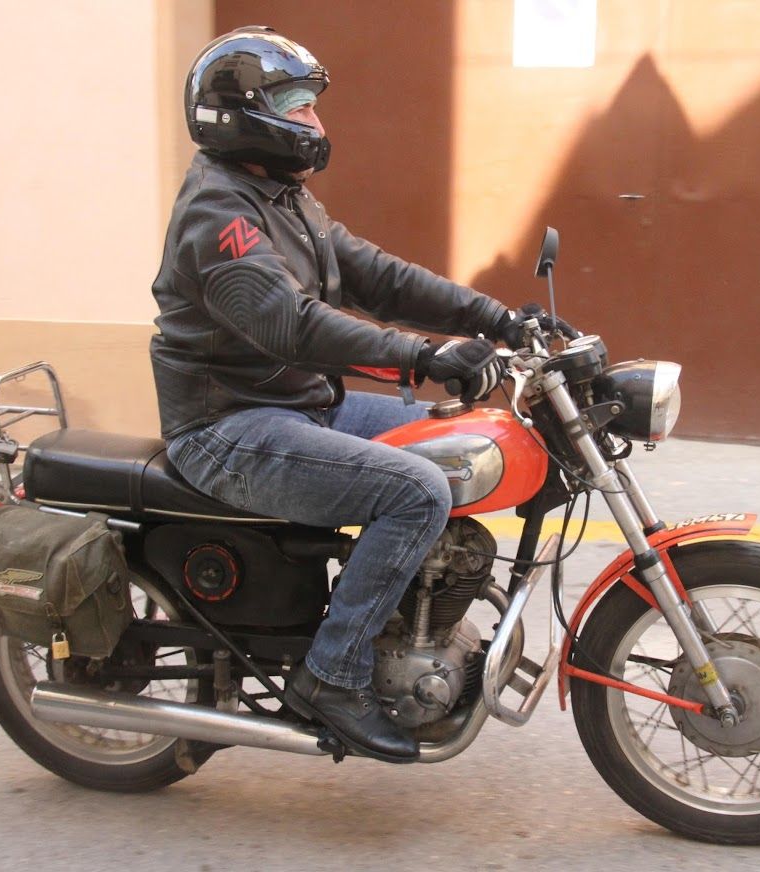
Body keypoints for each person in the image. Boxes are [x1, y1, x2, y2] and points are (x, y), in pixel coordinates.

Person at [150, 26, 538, 763]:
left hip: (301, 405)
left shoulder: (281, 197)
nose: (315, 122)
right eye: (297, 106)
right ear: (242, 115)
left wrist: (497, 318)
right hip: (228, 427)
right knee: (416, 490)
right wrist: (424, 355)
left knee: (460, 442)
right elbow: (291, 324)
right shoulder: (218, 215)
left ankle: (414, 620)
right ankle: (332, 674)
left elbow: (377, 276)